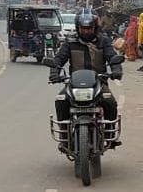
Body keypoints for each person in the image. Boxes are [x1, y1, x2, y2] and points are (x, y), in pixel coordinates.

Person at [47, 13, 123, 148]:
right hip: (74, 84)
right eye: (83, 28)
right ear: (78, 28)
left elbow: (112, 57)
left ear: (95, 28)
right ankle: (64, 138)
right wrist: (54, 72)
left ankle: (110, 135)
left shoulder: (103, 41)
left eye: (89, 28)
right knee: (60, 100)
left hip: (98, 82)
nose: (86, 31)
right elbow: (59, 59)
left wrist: (116, 70)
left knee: (110, 102)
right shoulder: (70, 42)